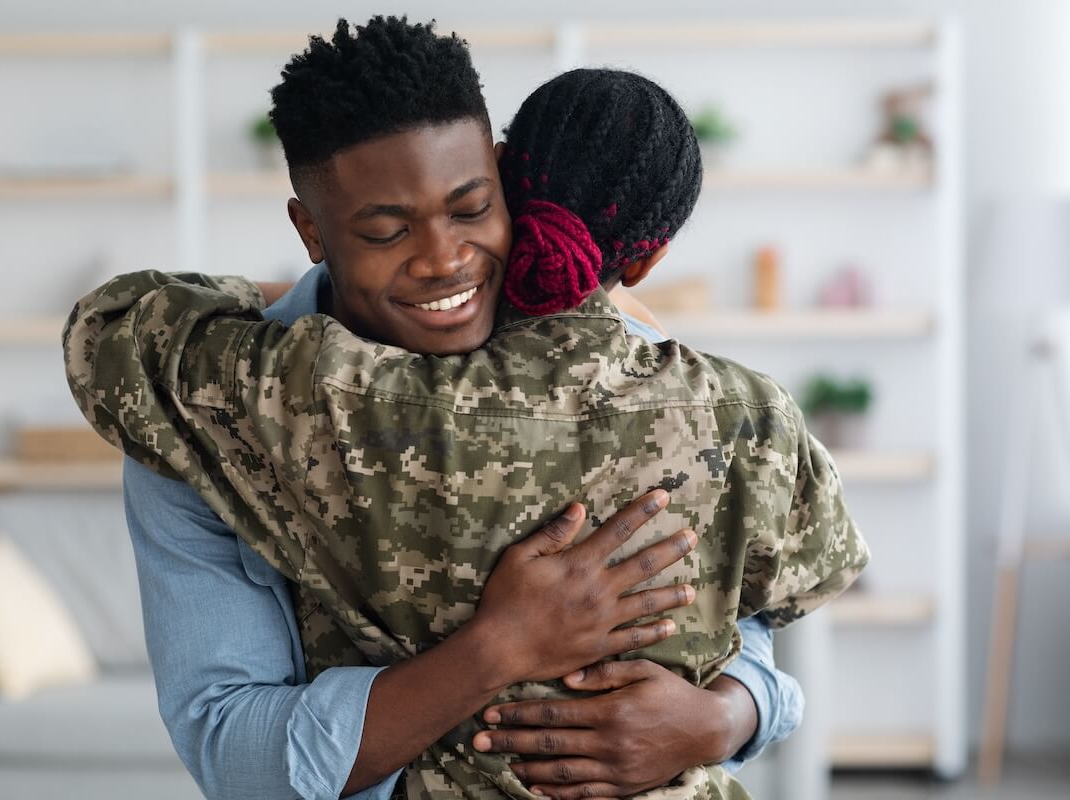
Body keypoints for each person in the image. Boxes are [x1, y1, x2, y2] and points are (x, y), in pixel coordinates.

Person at [90, 18, 810, 800]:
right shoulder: (206, 417)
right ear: (311, 231)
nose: (443, 259)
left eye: (471, 208)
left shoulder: (626, 361)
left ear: (504, 177)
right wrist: (499, 648)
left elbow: (740, 609)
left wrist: (724, 718)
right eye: (387, 231)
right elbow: (239, 756)